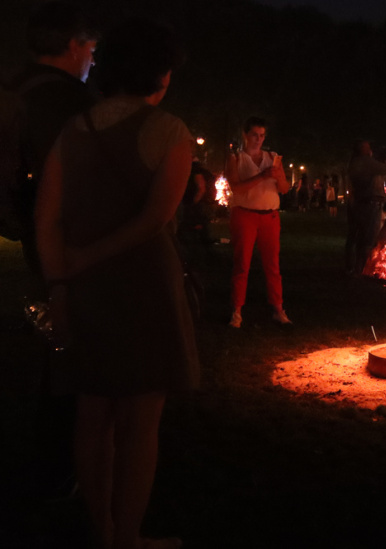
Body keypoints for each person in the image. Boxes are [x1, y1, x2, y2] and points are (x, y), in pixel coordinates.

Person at [35, 18, 197, 549]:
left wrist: (62, 279)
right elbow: (156, 219)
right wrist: (89, 258)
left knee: (92, 409)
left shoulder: (74, 131)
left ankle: (100, 532)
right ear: (162, 74)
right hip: (146, 286)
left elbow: (46, 215)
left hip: (84, 293)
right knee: (140, 420)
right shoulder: (170, 131)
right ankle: (127, 536)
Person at [10, 1, 97, 289]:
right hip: (68, 233)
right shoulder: (71, 101)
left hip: (26, 220)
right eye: (91, 51)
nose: (92, 61)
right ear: (74, 45)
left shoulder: (15, 89)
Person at [225, 117, 291, 328]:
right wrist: (262, 176)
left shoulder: (273, 158)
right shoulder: (236, 158)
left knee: (272, 265)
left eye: (262, 136)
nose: (259, 139)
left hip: (270, 216)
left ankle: (278, 308)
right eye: (255, 135)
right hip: (245, 215)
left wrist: (278, 177)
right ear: (245, 135)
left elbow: (284, 188)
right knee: (242, 263)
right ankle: (236, 311)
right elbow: (237, 187)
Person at [344, 139, 386, 275]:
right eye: (367, 147)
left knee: (354, 236)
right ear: (362, 149)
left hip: (359, 203)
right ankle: (363, 270)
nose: (370, 149)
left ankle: (351, 267)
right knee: (368, 238)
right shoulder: (366, 162)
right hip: (370, 204)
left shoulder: (354, 162)